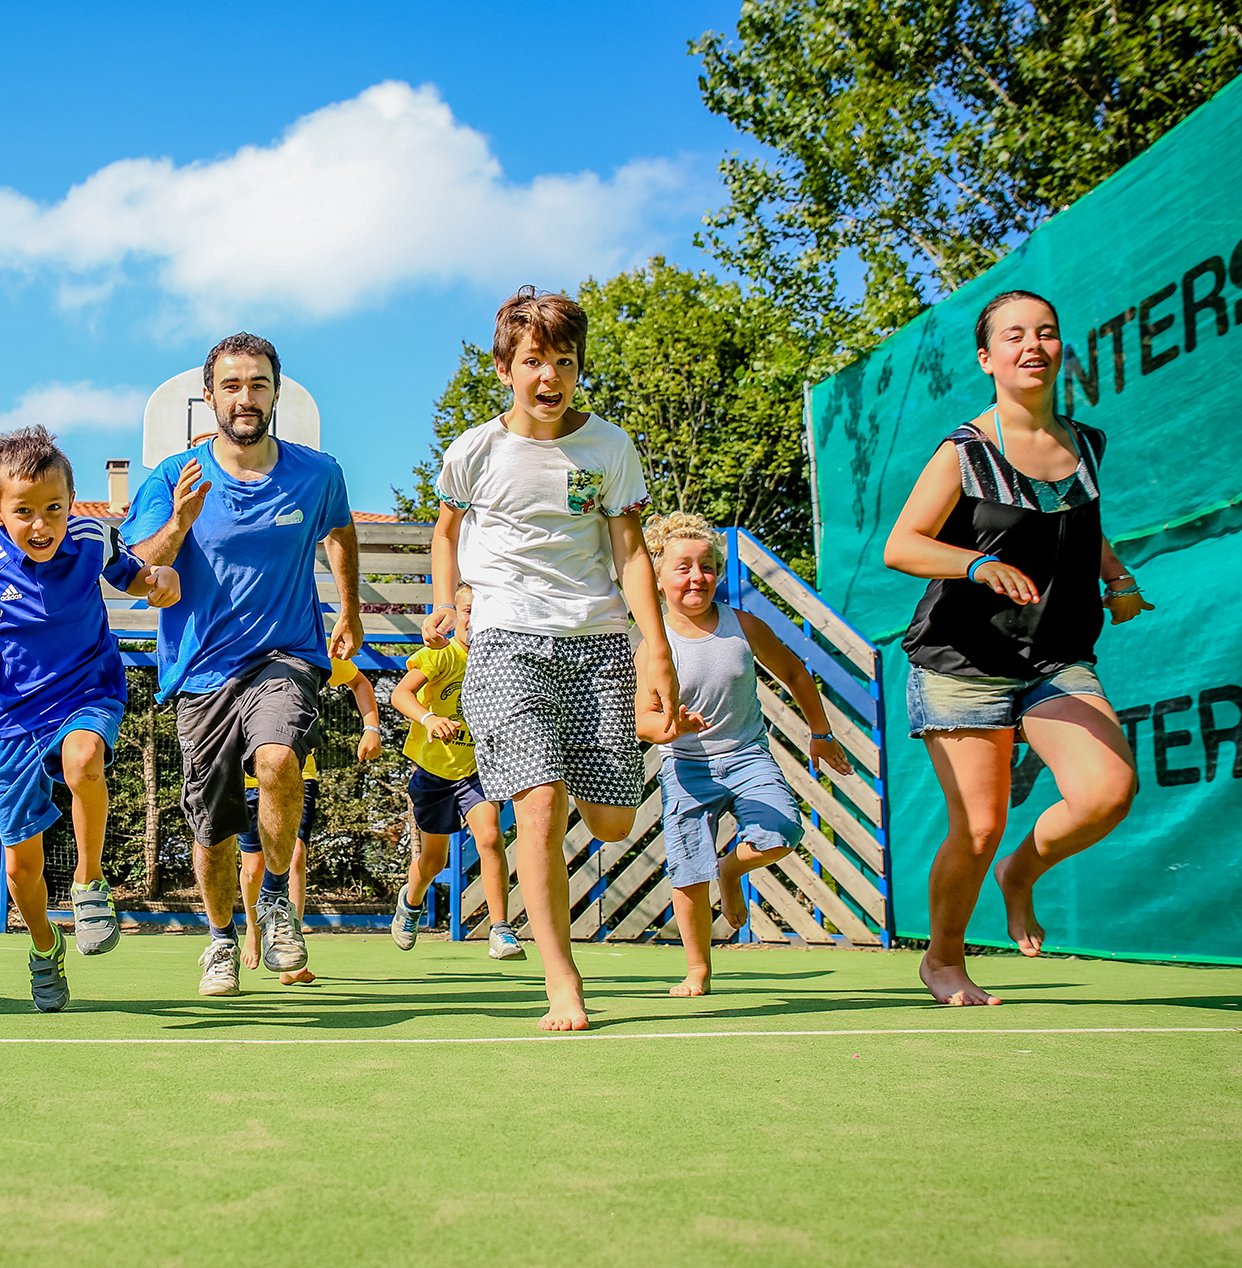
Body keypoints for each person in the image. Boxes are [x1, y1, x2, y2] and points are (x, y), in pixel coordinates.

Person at [425, 287, 692, 1032]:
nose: (550, 377)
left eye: (564, 362)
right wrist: (446, 598)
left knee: (610, 822)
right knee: (537, 805)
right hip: (506, 639)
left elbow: (631, 548)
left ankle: (565, 755)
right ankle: (561, 978)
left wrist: (657, 648)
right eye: (534, 361)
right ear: (505, 367)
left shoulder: (608, 447)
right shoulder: (473, 450)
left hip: (598, 641)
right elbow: (446, 533)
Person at [883, 289, 1152, 1007]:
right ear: (987, 358)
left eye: (1046, 333)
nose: (1033, 345)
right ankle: (943, 960)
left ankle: (1022, 874)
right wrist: (975, 564)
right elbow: (901, 545)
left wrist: (1117, 575)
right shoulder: (965, 450)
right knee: (979, 823)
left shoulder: (1085, 443)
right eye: (1014, 336)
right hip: (962, 662)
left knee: (1107, 792)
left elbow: (1081, 523)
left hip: (1057, 655)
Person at [121, 333, 363, 998]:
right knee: (214, 824)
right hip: (200, 672)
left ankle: (280, 899)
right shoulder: (174, 476)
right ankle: (222, 938)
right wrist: (180, 521)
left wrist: (349, 611)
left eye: (258, 383)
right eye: (232, 385)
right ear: (209, 398)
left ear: (276, 393)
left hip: (286, 656)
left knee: (280, 760)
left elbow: (340, 532)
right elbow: (141, 573)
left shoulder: (319, 473)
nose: (245, 396)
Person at [0, 426, 181, 1010]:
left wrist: (162, 584)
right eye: (23, 512)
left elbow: (140, 577)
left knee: (84, 760)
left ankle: (89, 884)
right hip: (17, 719)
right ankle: (46, 949)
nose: (41, 524)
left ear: (72, 504)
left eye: (53, 508)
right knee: (22, 868)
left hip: (89, 690)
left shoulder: (93, 538)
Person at [646, 513, 853, 996]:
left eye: (706, 567)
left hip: (746, 757)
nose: (696, 576)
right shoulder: (655, 642)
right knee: (687, 869)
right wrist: (673, 724)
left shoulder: (743, 625)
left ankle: (731, 868)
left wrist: (820, 732)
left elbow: (797, 673)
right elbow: (644, 720)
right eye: (682, 568)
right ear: (657, 578)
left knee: (782, 831)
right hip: (686, 766)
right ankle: (698, 968)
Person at [388, 582, 523, 961]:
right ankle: (411, 901)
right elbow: (400, 695)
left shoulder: (500, 660)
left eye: (482, 610)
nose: (474, 618)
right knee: (434, 861)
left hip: (476, 771)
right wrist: (429, 718)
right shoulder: (442, 655)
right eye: (467, 610)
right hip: (434, 773)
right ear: (454, 615)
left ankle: (501, 930)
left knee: (490, 837)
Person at [237, 653, 382, 985]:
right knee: (253, 867)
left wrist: (370, 726)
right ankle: (252, 927)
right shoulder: (241, 637)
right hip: (244, 776)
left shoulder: (316, 645)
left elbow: (359, 682)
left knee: (295, 853)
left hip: (298, 771)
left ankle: (289, 940)